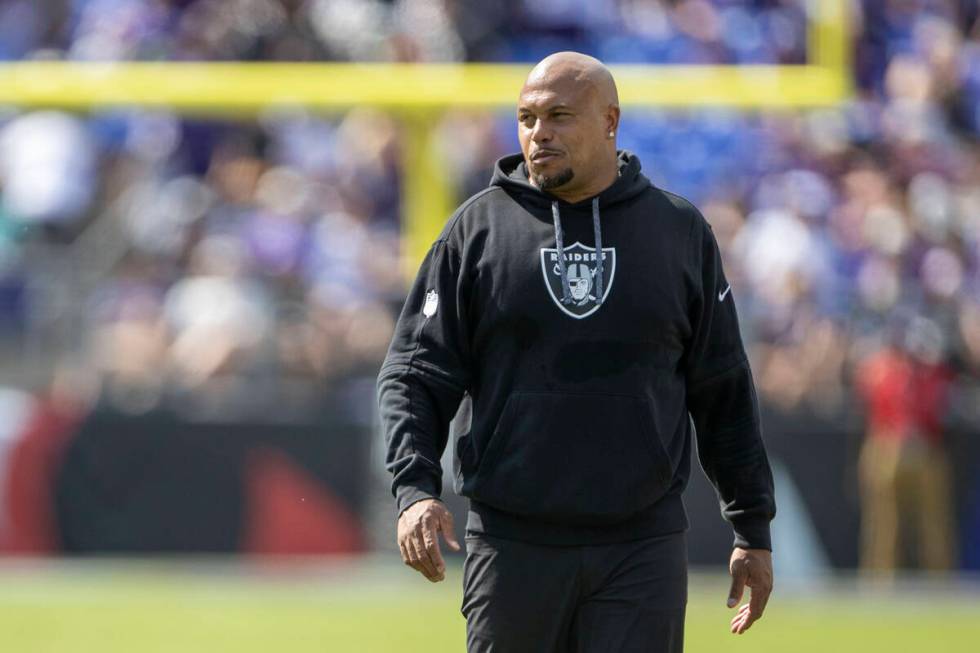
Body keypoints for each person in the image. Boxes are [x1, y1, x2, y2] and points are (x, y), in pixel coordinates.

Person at [378, 51, 776, 653]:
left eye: (559, 116)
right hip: (513, 543)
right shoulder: (476, 230)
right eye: (527, 118)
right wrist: (416, 491)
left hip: (641, 545)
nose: (540, 134)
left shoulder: (678, 231)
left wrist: (752, 527)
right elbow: (414, 374)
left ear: (610, 121)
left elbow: (722, 388)